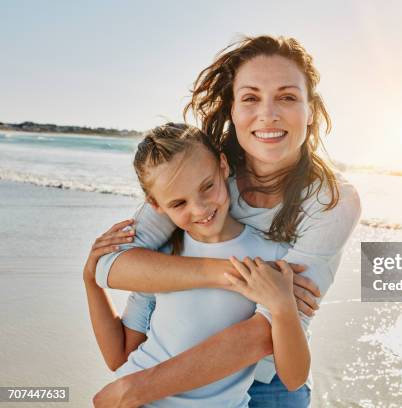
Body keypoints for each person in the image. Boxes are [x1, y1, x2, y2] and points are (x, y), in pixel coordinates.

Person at [91, 35, 361, 408]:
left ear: (310, 109)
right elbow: (114, 265)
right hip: (170, 367)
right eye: (251, 98)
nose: (268, 114)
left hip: (270, 381)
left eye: (287, 96)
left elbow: (267, 330)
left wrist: (137, 389)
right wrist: (239, 276)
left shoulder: (331, 200)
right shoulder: (201, 171)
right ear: (232, 109)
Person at [84, 123, 309, 407]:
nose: (200, 209)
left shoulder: (273, 254)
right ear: (156, 205)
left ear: (223, 166)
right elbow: (119, 356)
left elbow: (294, 377)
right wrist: (91, 281)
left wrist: (283, 306)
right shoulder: (160, 261)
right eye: (178, 203)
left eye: (207, 187)